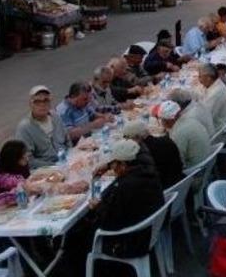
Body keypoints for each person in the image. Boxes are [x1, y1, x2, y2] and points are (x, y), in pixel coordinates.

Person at [63, 139, 164, 275]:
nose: (113, 168)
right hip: (148, 230)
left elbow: (109, 222)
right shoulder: (148, 171)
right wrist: (109, 165)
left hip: (129, 241)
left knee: (74, 238)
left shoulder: (125, 186)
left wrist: (97, 207)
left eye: (115, 164)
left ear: (123, 165)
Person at [15, 86, 72, 169]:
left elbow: (67, 140)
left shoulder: (55, 117)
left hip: (66, 162)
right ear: (30, 104)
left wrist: (71, 156)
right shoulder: (24, 128)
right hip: (43, 170)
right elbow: (28, 160)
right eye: (37, 101)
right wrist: (54, 166)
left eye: (46, 100)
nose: (42, 104)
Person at [121, 120, 184, 189]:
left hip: (164, 191)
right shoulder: (167, 140)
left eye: (127, 138)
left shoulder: (140, 156)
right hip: (182, 184)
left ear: (137, 138)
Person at [159, 100, 211, 169]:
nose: (161, 122)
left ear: (169, 120)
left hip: (196, 168)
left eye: (162, 119)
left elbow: (178, 160)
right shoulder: (190, 119)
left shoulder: (178, 133)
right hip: (207, 159)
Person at [197, 63, 226, 133]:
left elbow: (205, 118)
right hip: (219, 121)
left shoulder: (216, 93)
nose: (199, 80)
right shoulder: (215, 84)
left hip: (220, 130)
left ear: (208, 78)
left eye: (200, 76)